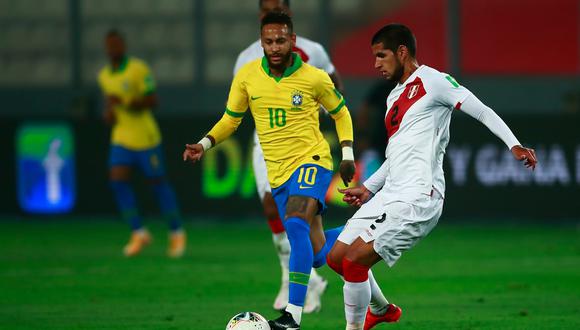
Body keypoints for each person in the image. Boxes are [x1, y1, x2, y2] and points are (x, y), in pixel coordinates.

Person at [325, 24, 538, 330]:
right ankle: (382, 309)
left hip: (418, 197)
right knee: (337, 258)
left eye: (381, 55)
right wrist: (370, 188)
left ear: (402, 52)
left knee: (355, 261)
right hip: (390, 193)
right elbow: (397, 153)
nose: (376, 64)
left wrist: (513, 143)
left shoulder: (433, 81)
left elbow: (481, 110)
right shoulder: (394, 97)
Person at [184, 11, 355, 330]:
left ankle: (293, 315)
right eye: (268, 41)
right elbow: (231, 119)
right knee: (318, 254)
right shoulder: (248, 76)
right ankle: (358, 231)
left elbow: (341, 112)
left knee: (294, 223)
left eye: (280, 40)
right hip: (276, 171)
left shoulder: (314, 77)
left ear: (292, 40)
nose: (275, 47)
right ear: (261, 42)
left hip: (312, 161)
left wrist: (346, 153)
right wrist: (204, 144)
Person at [233, 0, 344, 314]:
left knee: (296, 218)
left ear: (288, 12)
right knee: (275, 208)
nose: (271, 11)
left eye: (277, 6)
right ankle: (300, 275)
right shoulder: (247, 58)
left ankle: (294, 285)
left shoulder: (313, 51)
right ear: (259, 15)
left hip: (302, 146)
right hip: (265, 144)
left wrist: (321, 109)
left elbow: (334, 85)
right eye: (266, 7)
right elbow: (240, 101)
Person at [98, 29, 186, 258]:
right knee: (117, 181)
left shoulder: (138, 69)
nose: (113, 49)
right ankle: (138, 231)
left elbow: (152, 100)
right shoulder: (104, 76)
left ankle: (176, 232)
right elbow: (111, 107)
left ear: (123, 46)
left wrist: (125, 101)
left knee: (158, 184)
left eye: (116, 44)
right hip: (121, 136)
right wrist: (109, 113)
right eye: (109, 45)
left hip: (146, 137)